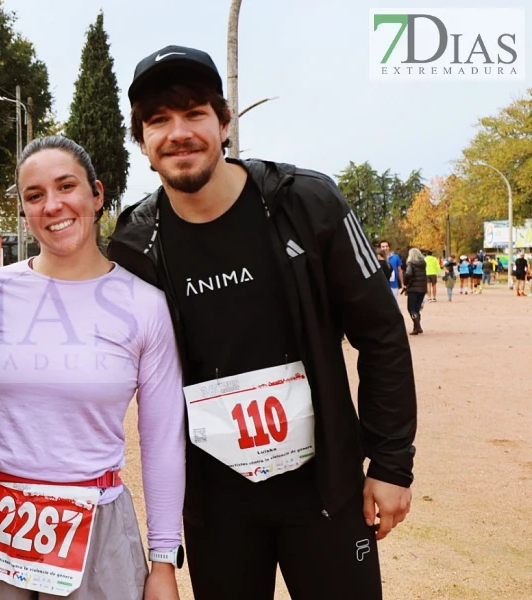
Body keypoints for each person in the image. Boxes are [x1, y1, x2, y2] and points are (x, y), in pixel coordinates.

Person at [108, 45, 417, 600]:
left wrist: (392, 463)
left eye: (194, 114)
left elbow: (382, 335)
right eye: (158, 121)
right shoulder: (135, 244)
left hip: (326, 494)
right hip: (217, 508)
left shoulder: (307, 203)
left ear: (224, 123)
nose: (179, 133)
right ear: (143, 143)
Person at [0, 136, 186, 600]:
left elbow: (163, 438)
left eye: (66, 186)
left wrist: (164, 560)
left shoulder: (145, 306)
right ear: (24, 210)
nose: (53, 205)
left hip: (96, 525)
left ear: (97, 194)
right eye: (34, 195)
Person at [402, 248, 427, 335]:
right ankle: (417, 326)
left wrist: (405, 282)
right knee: (417, 308)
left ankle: (417, 325)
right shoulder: (423, 264)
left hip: (413, 288)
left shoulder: (411, 264)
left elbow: (408, 274)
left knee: (411, 309)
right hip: (422, 288)